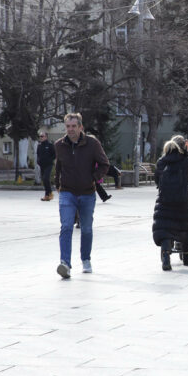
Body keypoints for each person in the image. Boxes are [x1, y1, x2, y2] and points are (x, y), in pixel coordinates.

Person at [53, 113, 110, 279]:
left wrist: (93, 178)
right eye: (68, 126)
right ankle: (65, 263)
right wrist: (58, 185)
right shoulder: (59, 145)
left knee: (86, 228)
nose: (70, 130)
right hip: (67, 192)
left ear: (80, 127)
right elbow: (58, 167)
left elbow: (105, 164)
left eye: (73, 126)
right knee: (66, 226)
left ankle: (86, 259)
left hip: (87, 193)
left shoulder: (92, 143)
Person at [153, 135, 188, 271]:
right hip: (182, 201)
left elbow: (157, 181)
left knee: (165, 229)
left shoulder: (161, 161)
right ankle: (186, 254)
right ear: (183, 147)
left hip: (164, 201)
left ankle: (166, 255)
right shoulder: (184, 160)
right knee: (186, 228)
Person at [37, 132, 56, 202]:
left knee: (46, 178)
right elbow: (38, 154)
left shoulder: (50, 145)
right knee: (44, 180)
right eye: (40, 136)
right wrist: (38, 161)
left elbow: (54, 155)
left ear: (46, 137)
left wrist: (49, 160)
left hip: (49, 165)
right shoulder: (39, 145)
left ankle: (49, 194)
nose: (41, 137)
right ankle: (47, 195)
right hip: (42, 165)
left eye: (42, 136)